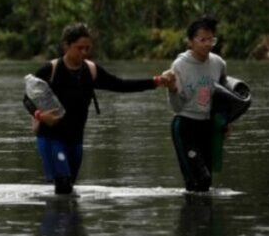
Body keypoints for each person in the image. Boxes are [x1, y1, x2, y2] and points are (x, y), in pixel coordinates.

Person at [23, 23, 172, 195]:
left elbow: (121, 85)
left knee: (68, 188)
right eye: (79, 48)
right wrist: (40, 115)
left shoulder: (91, 70)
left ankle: (68, 221)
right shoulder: (51, 70)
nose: (84, 53)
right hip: (51, 138)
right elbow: (27, 99)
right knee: (63, 185)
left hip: (75, 139)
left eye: (87, 48)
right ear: (66, 45)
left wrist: (155, 82)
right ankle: (56, 219)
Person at [163, 15, 231, 192]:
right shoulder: (179, 65)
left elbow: (223, 96)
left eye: (211, 39)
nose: (208, 44)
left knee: (206, 184)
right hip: (185, 127)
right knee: (199, 178)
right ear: (190, 42)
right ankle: (191, 216)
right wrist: (171, 88)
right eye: (202, 40)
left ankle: (198, 218)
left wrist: (223, 124)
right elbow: (177, 107)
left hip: (207, 126)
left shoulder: (218, 63)